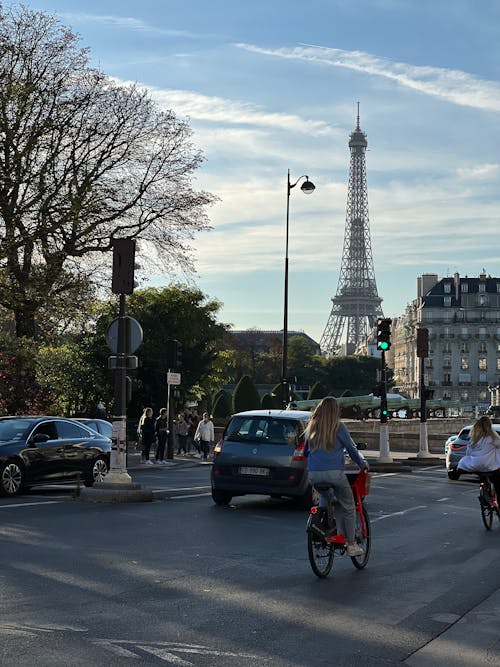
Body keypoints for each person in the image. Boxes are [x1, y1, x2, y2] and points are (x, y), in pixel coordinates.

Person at [304, 396, 369, 558]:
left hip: (313, 474)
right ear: (335, 411)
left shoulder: (311, 427)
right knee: (348, 506)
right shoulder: (338, 427)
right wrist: (362, 465)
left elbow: (306, 452)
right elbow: (352, 450)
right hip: (334, 473)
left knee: (326, 497)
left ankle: (326, 526)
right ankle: (352, 544)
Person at [458, 415, 500, 501]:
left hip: (475, 465)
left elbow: (468, 453)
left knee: (481, 476)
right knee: (497, 482)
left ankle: (484, 493)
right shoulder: (493, 438)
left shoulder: (474, 439)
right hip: (491, 466)